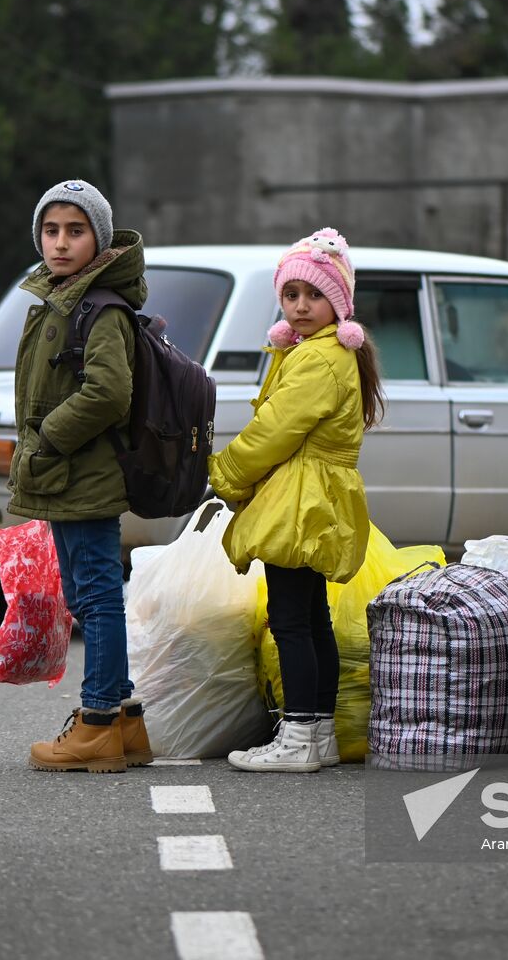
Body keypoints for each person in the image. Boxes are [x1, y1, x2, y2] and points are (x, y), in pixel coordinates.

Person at [210, 228, 385, 773]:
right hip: (316, 496)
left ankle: (300, 737)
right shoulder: (322, 352)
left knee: (291, 620)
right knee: (311, 619)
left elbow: (273, 431)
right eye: (291, 295)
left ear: (338, 302)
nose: (302, 306)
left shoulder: (318, 359)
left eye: (314, 295)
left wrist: (223, 475)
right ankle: (319, 735)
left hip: (301, 498)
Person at [10, 179, 153, 773]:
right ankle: (123, 719)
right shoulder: (65, 300)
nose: (61, 243)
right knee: (89, 595)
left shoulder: (99, 308)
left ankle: (96, 722)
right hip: (66, 474)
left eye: (75, 230)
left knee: (94, 597)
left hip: (83, 475)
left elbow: (109, 392)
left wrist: (49, 437)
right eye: (51, 230)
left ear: (99, 237)